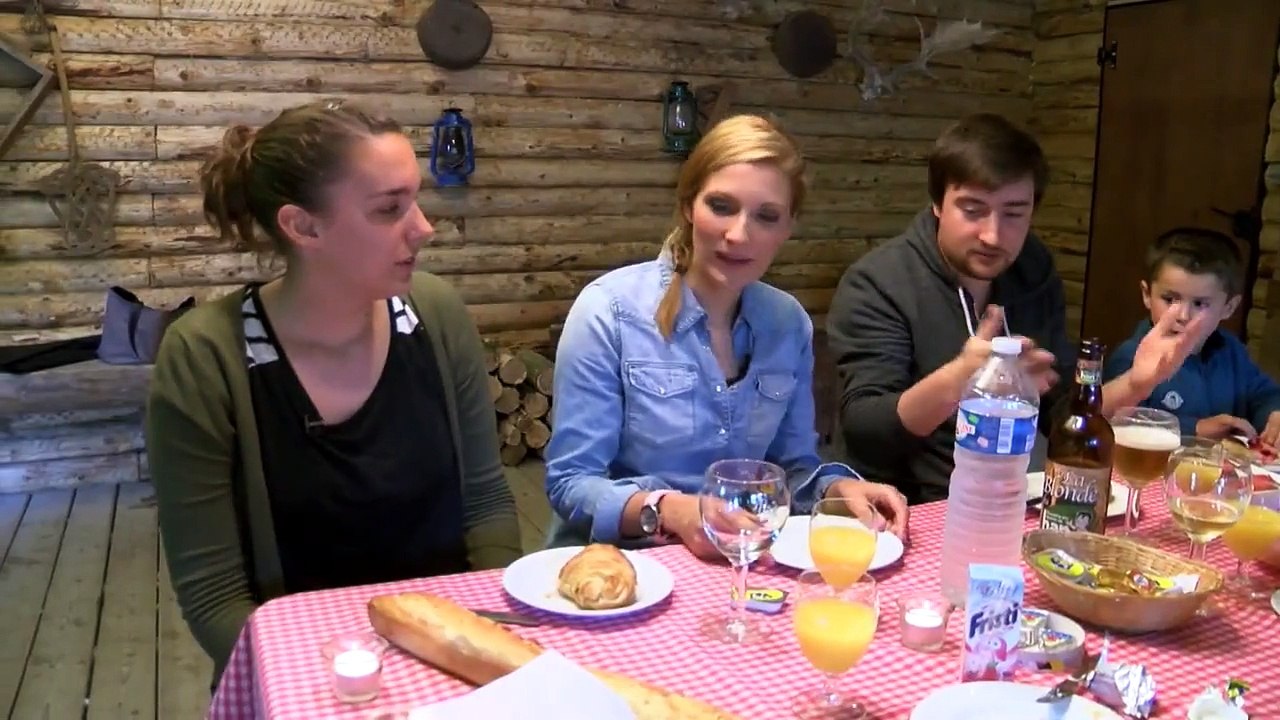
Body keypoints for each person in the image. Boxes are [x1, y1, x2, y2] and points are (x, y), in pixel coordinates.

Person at [144, 101, 521, 681]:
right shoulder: (206, 356)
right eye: (389, 209)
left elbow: (486, 504)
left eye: (415, 200)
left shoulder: (436, 316)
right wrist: (334, 684)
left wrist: (492, 641)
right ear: (304, 226)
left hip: (453, 655)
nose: (423, 227)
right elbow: (215, 595)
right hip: (300, 676)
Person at [542, 114, 910, 559]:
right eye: (721, 206)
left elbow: (792, 470)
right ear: (687, 205)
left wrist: (838, 490)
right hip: (620, 567)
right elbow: (571, 483)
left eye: (766, 216)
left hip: (740, 563)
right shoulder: (609, 312)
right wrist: (671, 510)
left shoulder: (787, 323)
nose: (738, 234)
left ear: (788, 227)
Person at [826, 113, 1210, 504]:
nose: (993, 235)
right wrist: (961, 380)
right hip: (902, 506)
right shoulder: (878, 282)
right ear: (937, 204)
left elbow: (1057, 415)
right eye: (972, 209)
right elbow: (867, 431)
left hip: (1011, 497)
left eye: (1013, 214)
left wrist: (1137, 382)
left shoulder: (1032, 268)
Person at [1104, 227, 1280, 443]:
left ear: (1229, 307)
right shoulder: (1131, 355)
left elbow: (1263, 394)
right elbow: (1120, 422)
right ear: (1147, 295)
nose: (1183, 315)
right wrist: (1195, 428)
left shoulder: (1231, 351)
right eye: (1170, 299)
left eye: (1200, 304)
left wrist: (1274, 413)